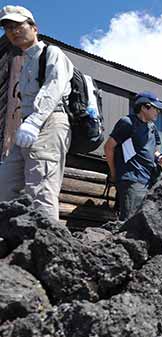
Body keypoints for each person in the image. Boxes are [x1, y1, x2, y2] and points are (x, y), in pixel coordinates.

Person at [0, 5, 74, 221]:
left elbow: (54, 87)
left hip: (50, 121)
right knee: (5, 184)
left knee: (41, 188)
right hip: (27, 127)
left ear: (34, 27)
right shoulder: (25, 64)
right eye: (7, 27)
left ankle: (46, 248)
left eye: (18, 25)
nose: (12, 31)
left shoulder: (52, 53)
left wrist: (34, 121)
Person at [104, 91, 162, 220]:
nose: (158, 112)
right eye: (155, 108)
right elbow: (108, 147)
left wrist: (159, 157)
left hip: (150, 181)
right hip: (132, 180)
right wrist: (114, 173)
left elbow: (153, 150)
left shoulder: (152, 127)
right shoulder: (127, 123)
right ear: (144, 107)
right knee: (129, 222)